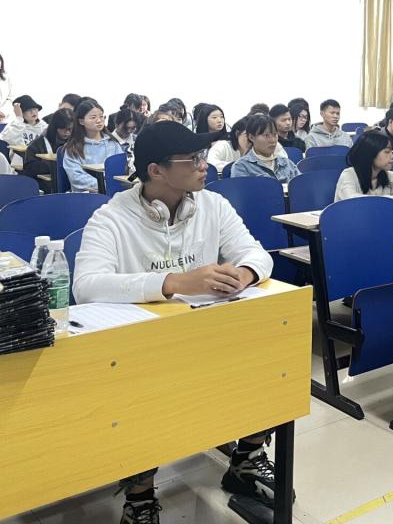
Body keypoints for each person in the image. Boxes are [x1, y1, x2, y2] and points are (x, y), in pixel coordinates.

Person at [72, 121, 280, 524]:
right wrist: (174, 282)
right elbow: (87, 285)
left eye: (204, 157)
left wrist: (244, 274)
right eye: (194, 159)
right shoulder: (111, 218)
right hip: (142, 347)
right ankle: (140, 497)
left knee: (270, 351)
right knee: (138, 389)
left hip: (205, 334)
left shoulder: (212, 205)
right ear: (156, 170)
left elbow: (256, 253)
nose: (205, 166)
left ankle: (247, 459)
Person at [335, 130, 393, 203]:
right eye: (387, 152)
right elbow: (353, 201)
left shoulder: (388, 175)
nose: (392, 156)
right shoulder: (348, 175)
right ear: (370, 154)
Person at [62, 99, 123, 192]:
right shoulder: (74, 148)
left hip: (114, 192)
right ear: (81, 121)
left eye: (101, 117)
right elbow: (76, 177)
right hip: (87, 195)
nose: (99, 120)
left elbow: (122, 169)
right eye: (93, 117)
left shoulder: (112, 143)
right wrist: (103, 186)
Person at [231, 114, 299, 183]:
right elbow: (242, 189)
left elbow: (301, 185)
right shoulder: (241, 167)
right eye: (266, 135)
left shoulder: (287, 164)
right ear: (251, 137)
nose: (272, 140)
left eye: (275, 134)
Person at [23, 108, 74, 189]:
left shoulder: (77, 141)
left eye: (70, 129)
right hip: (46, 187)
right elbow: (29, 169)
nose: (67, 132)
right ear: (55, 127)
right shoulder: (37, 144)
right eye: (63, 128)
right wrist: (54, 166)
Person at [1, 94, 48, 163]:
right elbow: (8, 139)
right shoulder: (15, 125)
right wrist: (19, 118)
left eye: (35, 108)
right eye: (29, 110)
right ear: (21, 112)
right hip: (20, 163)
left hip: (40, 161)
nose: (33, 112)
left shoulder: (44, 126)